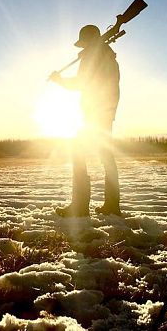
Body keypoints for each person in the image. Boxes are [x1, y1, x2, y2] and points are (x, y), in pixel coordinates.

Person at [48, 24, 121, 217]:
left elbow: (82, 83)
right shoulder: (105, 55)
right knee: (106, 158)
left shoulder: (95, 57)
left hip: (94, 114)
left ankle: (80, 207)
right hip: (104, 113)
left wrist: (60, 81)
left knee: (78, 153)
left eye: (84, 44)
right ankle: (112, 206)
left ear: (89, 42)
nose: (82, 48)